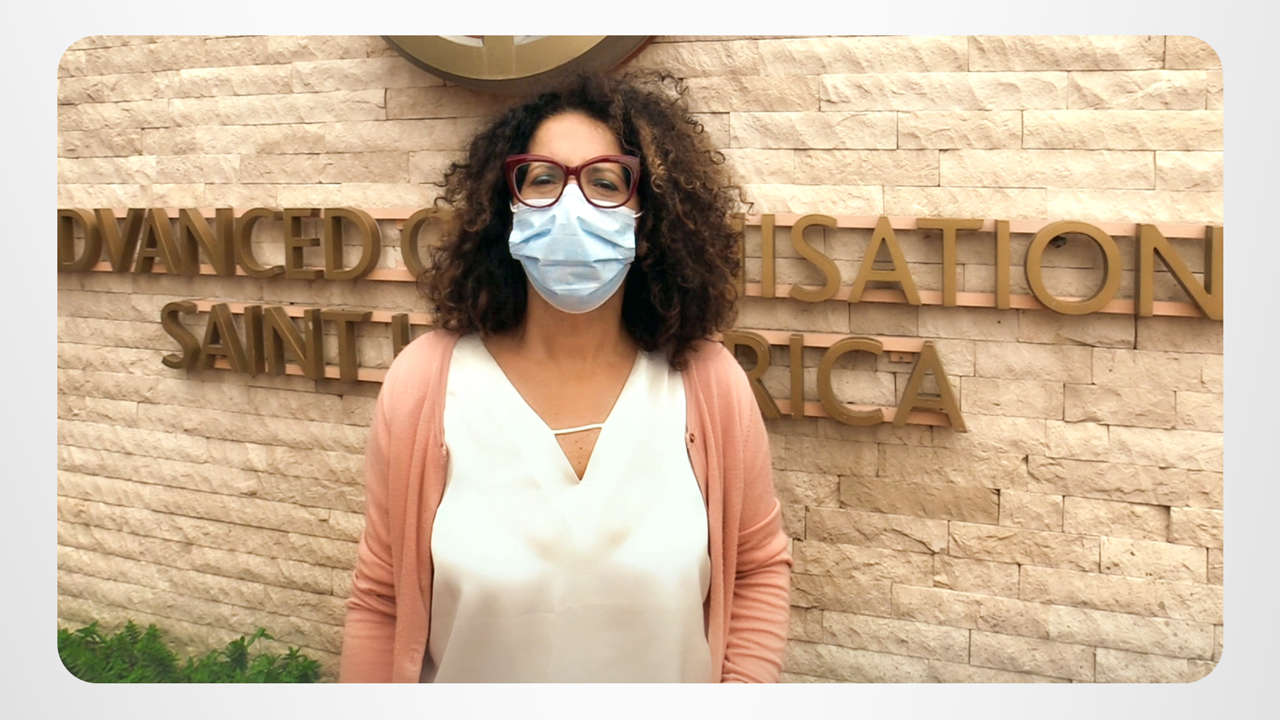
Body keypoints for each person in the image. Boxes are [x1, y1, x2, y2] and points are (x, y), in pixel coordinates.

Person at [338, 72, 791, 683]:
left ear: (648, 217)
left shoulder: (707, 384)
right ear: (506, 208)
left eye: (605, 182)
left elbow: (757, 569)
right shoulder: (425, 384)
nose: (569, 207)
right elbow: (382, 598)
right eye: (543, 179)